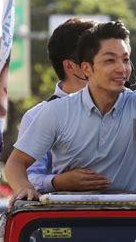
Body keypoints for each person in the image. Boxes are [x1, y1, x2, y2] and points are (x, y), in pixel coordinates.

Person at [5, 20, 136, 202]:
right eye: (109, 60)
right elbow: (16, 163)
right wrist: (26, 189)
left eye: (125, 59)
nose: (121, 68)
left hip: (126, 224)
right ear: (86, 68)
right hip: (69, 223)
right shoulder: (55, 112)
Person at [23, 18, 110, 192]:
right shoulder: (38, 116)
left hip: (128, 216)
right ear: (71, 67)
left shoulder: (129, 104)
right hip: (67, 217)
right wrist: (57, 182)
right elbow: (26, 179)